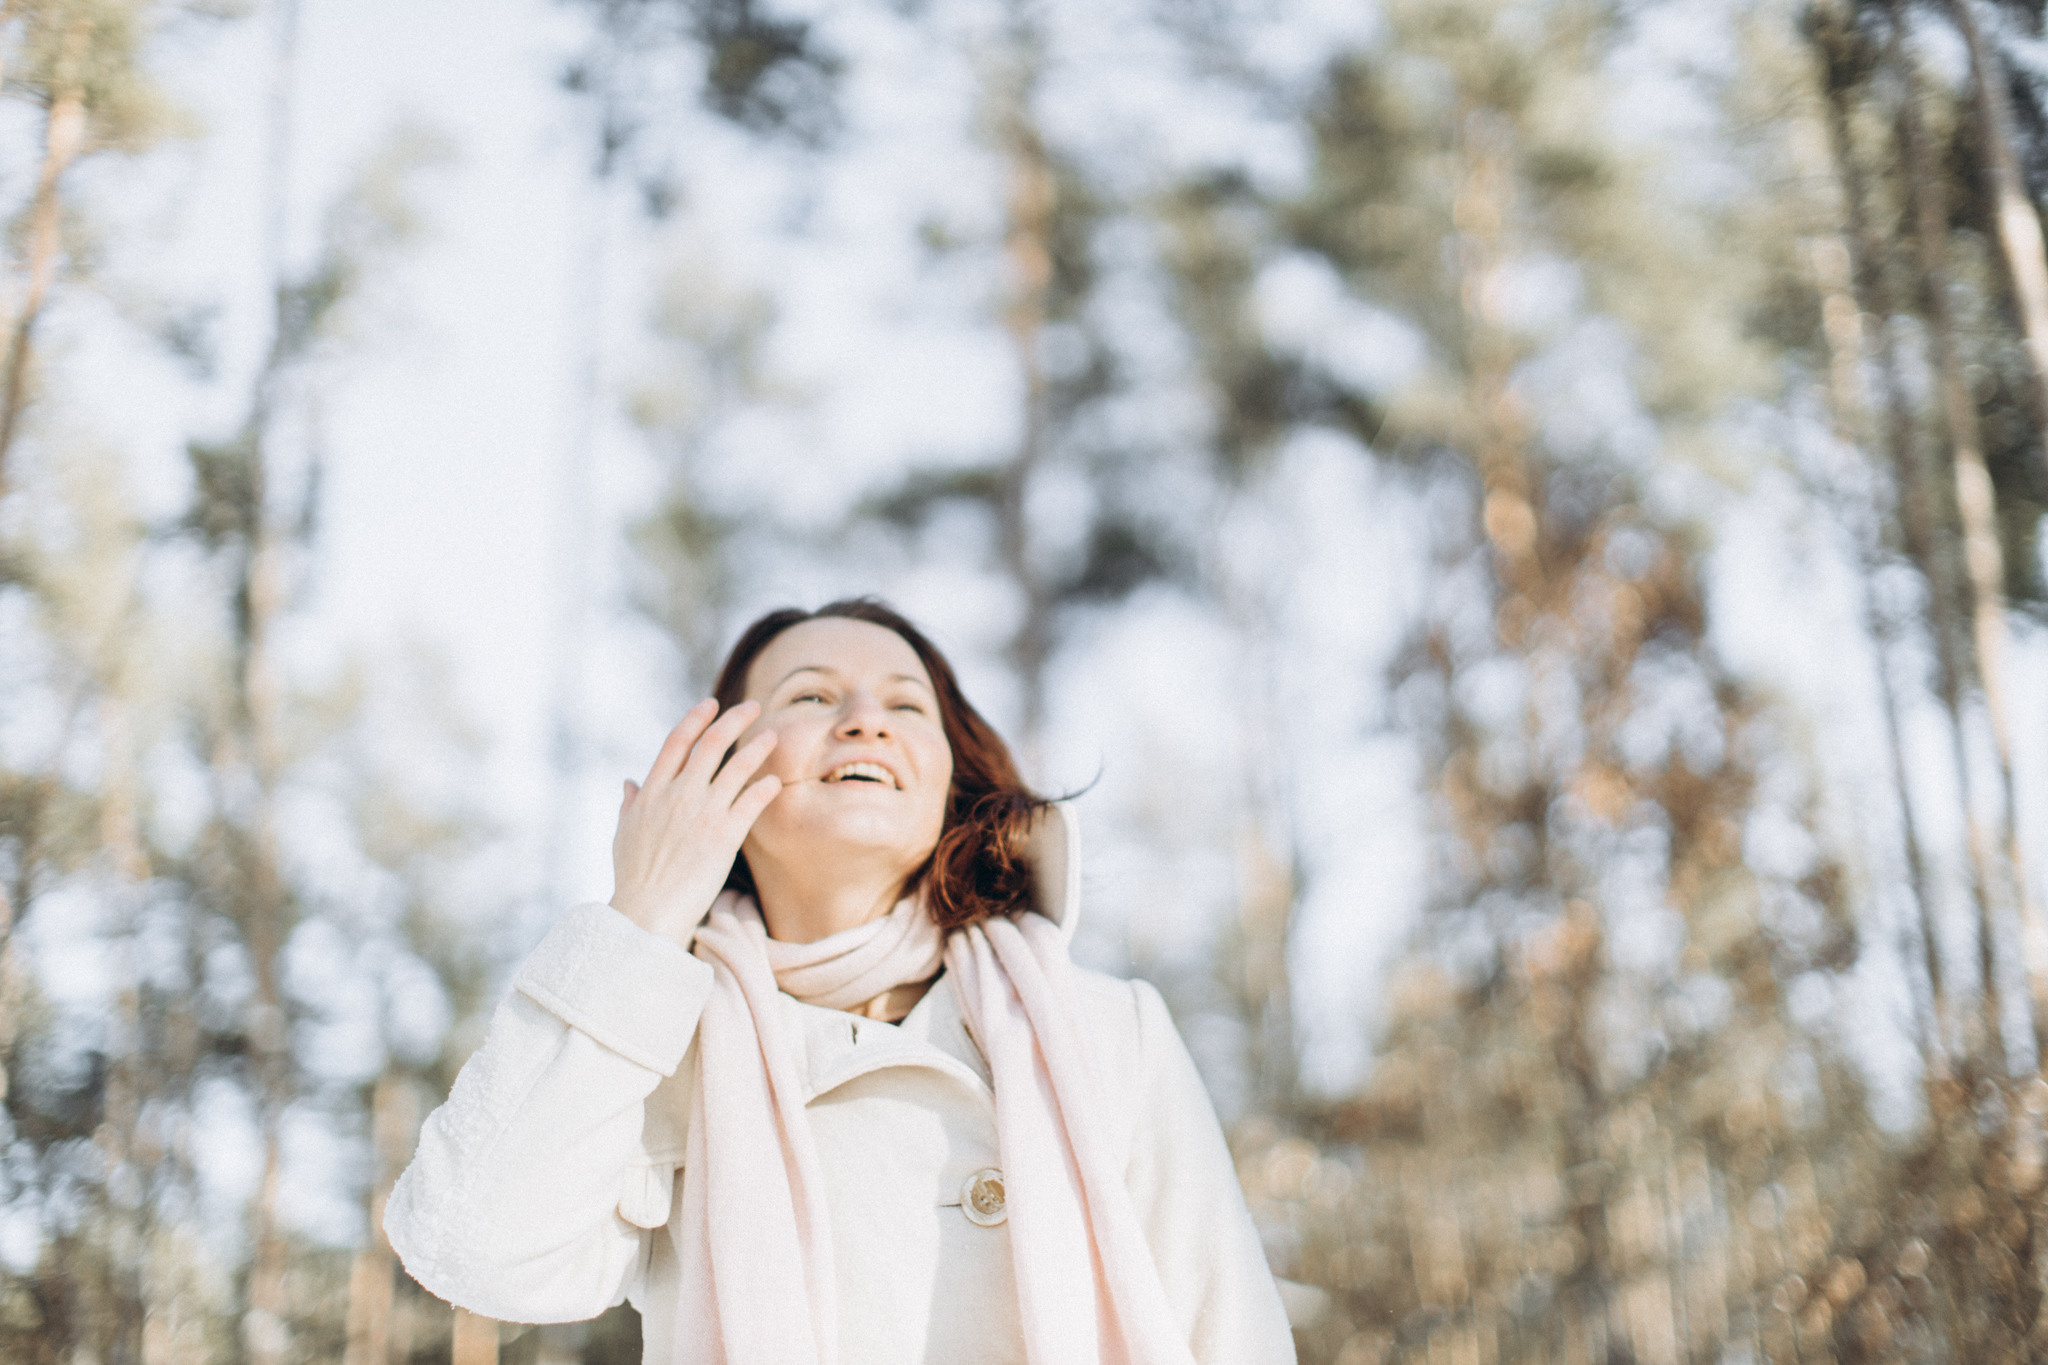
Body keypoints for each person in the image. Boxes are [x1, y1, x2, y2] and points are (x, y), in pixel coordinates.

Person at [385, 598, 1296, 1364]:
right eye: (812, 693)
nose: (865, 718)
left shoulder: (1106, 1029)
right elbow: (472, 1247)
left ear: (951, 777)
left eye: (908, 706)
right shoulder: (655, 1042)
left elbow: (1233, 1334)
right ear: (719, 761)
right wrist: (643, 916)